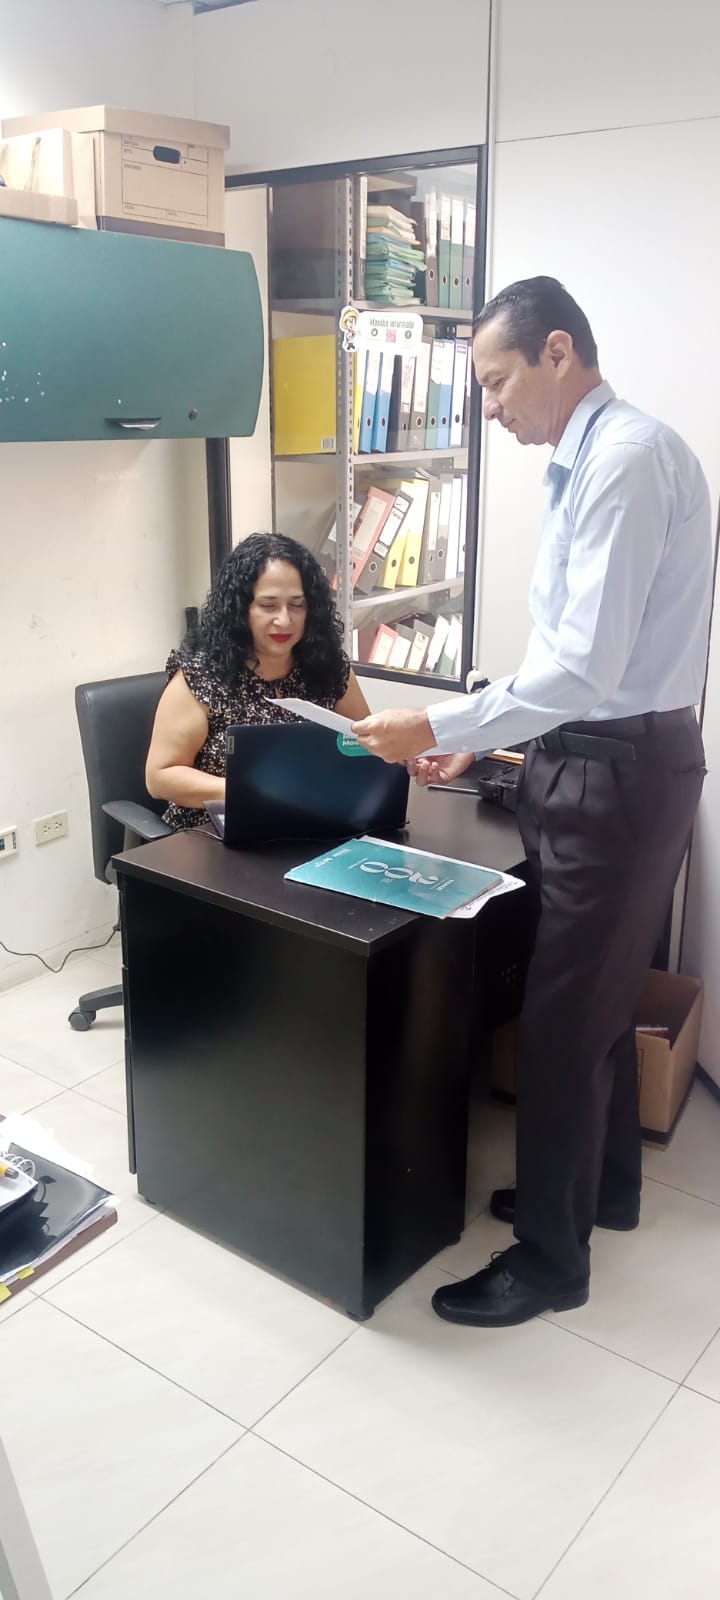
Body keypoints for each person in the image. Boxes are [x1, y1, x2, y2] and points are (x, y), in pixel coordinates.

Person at [351, 276, 712, 1329]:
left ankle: (552, 1262)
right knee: (596, 1005)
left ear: (559, 352)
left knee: (559, 1023)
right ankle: (603, 1192)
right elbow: (566, 655)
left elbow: (588, 669)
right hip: (590, 759)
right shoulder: (588, 459)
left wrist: (436, 725)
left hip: (617, 771)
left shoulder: (626, 459)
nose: (490, 407)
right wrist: (482, 738)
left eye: (498, 381)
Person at [146, 531, 370, 828]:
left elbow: (368, 746)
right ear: (241, 609)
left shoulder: (329, 668)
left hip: (307, 823)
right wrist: (252, 792)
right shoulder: (202, 675)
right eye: (268, 606)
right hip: (212, 833)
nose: (284, 620)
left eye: (297, 605)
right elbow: (160, 777)